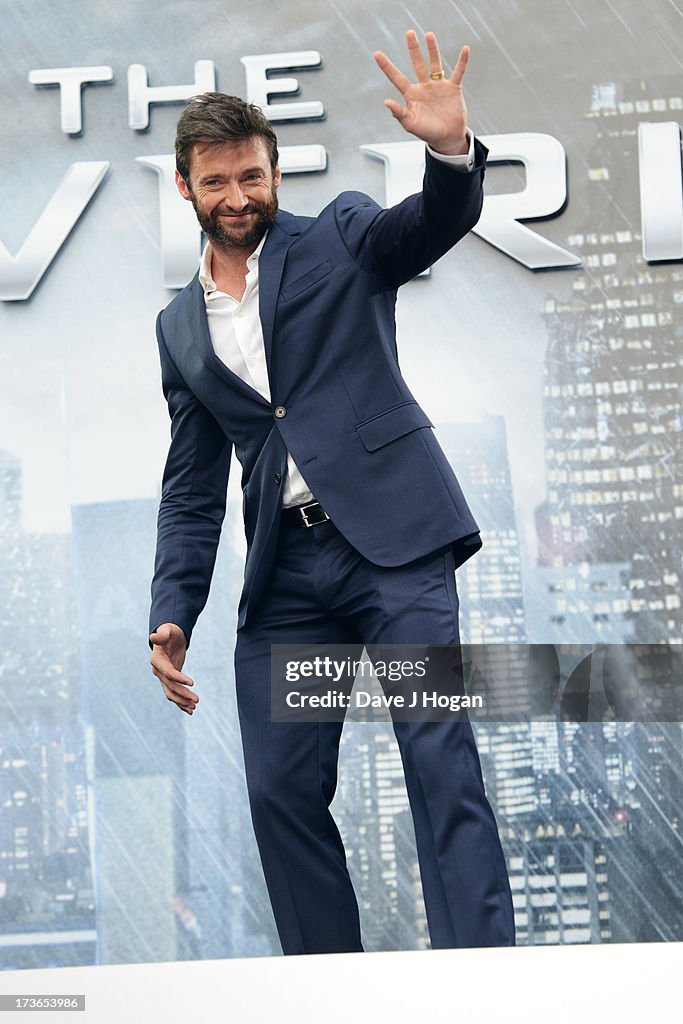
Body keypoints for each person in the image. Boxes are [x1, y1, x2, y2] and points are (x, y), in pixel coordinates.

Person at [148, 29, 515, 955]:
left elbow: (426, 226)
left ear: (274, 175)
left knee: (436, 754)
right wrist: (172, 611)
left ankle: (483, 981)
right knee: (279, 790)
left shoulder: (342, 236)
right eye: (218, 183)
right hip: (290, 582)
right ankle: (327, 988)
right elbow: (191, 489)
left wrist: (448, 154)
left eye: (253, 178)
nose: (239, 199)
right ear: (185, 188)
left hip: (393, 552)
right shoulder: (179, 327)